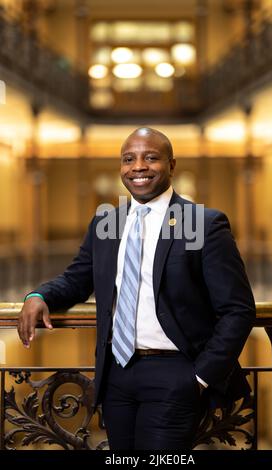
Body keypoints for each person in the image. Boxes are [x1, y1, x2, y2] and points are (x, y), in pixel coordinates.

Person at [17, 127, 256, 450]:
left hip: (176, 372)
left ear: (172, 165)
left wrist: (199, 378)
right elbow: (77, 279)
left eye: (151, 158)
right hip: (117, 373)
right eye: (129, 159)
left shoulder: (201, 222)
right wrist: (38, 295)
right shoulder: (107, 221)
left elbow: (237, 309)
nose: (138, 166)